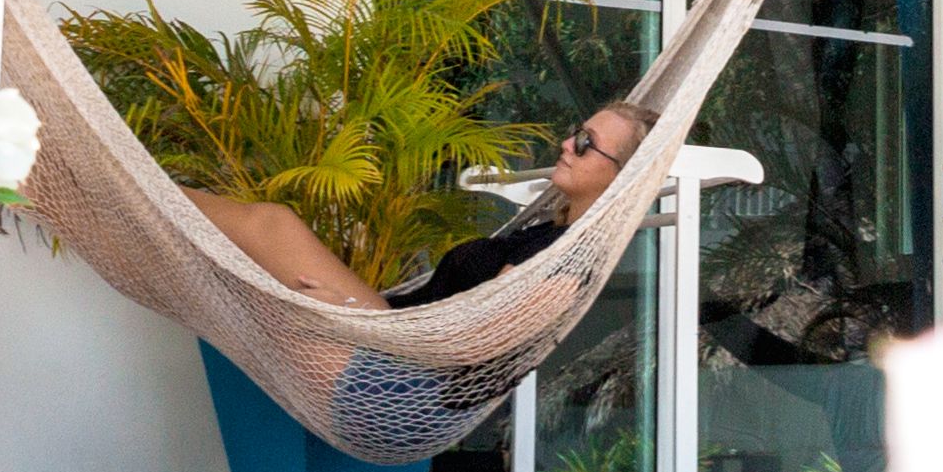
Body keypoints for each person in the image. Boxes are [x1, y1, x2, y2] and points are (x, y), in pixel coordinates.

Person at [183, 96, 652, 311]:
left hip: (397, 366)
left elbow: (474, 341)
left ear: (620, 174)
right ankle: (141, 190)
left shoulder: (567, 264)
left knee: (272, 225)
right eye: (576, 133)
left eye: (587, 144)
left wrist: (351, 312)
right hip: (388, 327)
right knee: (263, 233)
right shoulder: (543, 235)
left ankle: (141, 185)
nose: (567, 144)